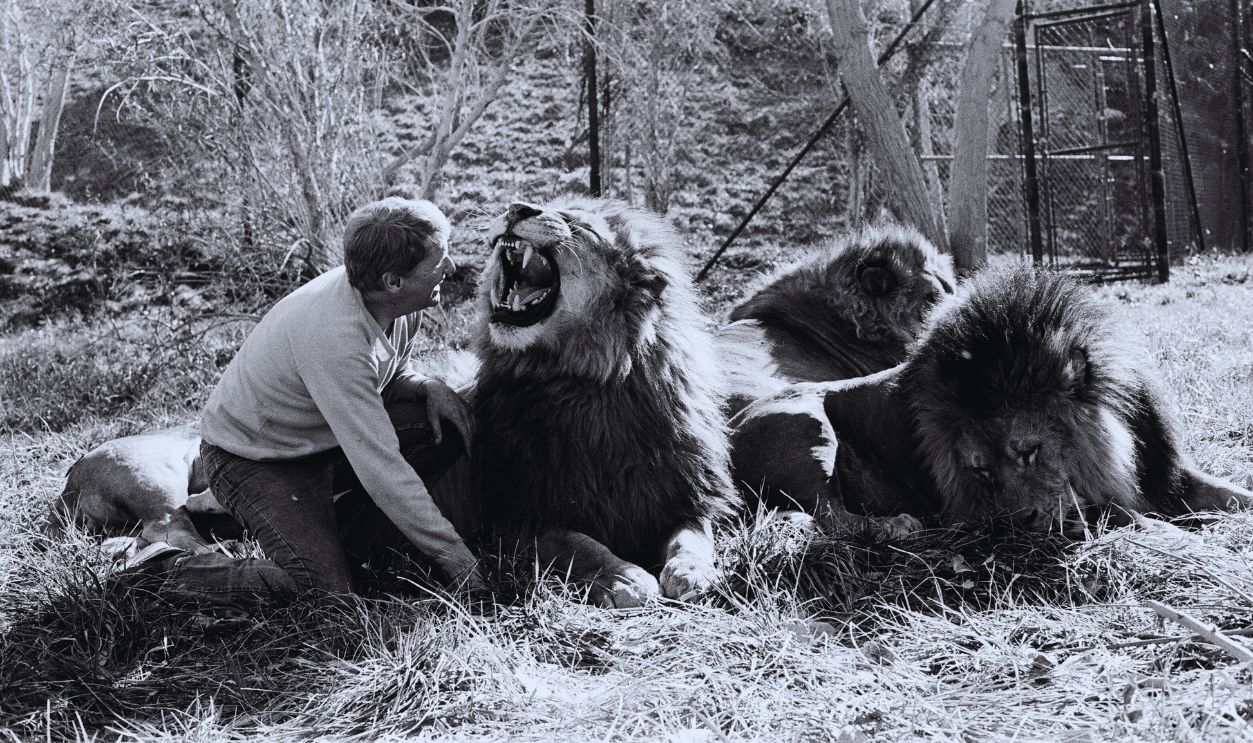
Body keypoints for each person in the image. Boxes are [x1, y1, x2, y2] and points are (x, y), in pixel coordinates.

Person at [124, 196, 484, 609]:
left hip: (320, 441)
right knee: (324, 590)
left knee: (439, 426)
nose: (451, 267)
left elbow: (383, 373)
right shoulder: (335, 338)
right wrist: (457, 560)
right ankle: (162, 567)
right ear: (393, 281)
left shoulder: (403, 302)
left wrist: (422, 383)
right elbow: (380, 466)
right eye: (439, 261)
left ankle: (341, 542)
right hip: (255, 461)